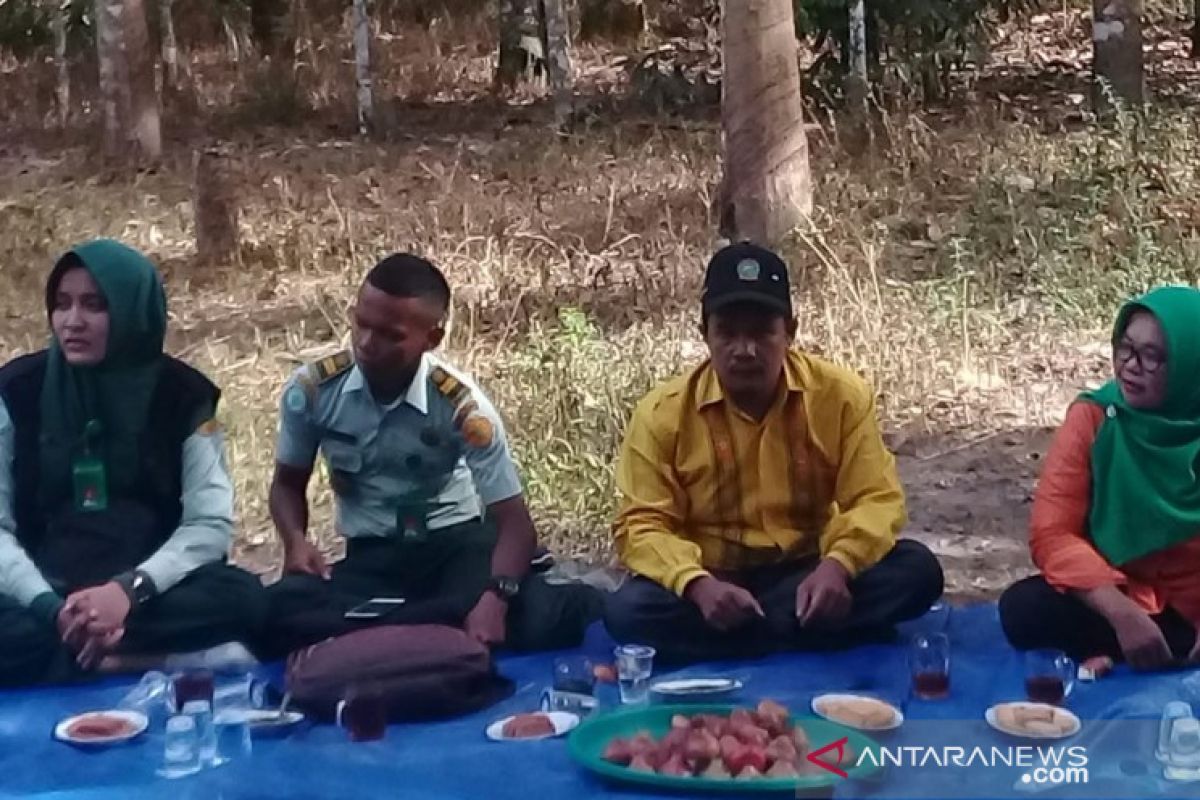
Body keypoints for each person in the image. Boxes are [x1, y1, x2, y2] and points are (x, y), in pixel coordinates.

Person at [603, 242, 944, 663]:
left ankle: (746, 639)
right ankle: (807, 632)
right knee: (627, 611)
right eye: (728, 332)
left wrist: (838, 566)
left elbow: (876, 499)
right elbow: (641, 525)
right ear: (704, 334)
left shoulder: (840, 397)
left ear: (790, 332)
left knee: (917, 570)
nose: (744, 350)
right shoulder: (662, 414)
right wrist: (696, 584)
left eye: (762, 332)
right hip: (713, 581)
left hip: (807, 571)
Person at [260, 253, 600, 657]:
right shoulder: (313, 390)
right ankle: (422, 628)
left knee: (518, 614)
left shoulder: (463, 409)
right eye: (362, 324)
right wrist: (295, 542)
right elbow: (286, 485)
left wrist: (497, 597)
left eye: (391, 334)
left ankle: (396, 629)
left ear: (432, 340)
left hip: (455, 548)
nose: (368, 343)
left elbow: (515, 526)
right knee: (273, 615)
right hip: (373, 556)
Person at [0, 240, 267, 687]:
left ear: (133, 312)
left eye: (94, 305)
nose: (72, 322)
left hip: (147, 593)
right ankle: (138, 660)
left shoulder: (183, 396)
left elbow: (209, 524)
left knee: (245, 599)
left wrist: (129, 590)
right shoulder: (17, 391)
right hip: (42, 590)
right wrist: (50, 608)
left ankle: (73, 659)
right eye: (62, 305)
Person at [1000, 286, 1200, 671]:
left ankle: (1152, 648)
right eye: (1125, 348)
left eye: (1152, 357)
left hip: (1192, 605)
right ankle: (1152, 645)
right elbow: (1052, 533)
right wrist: (1120, 612)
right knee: (1024, 608)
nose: (1130, 365)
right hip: (1117, 590)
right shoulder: (1095, 417)